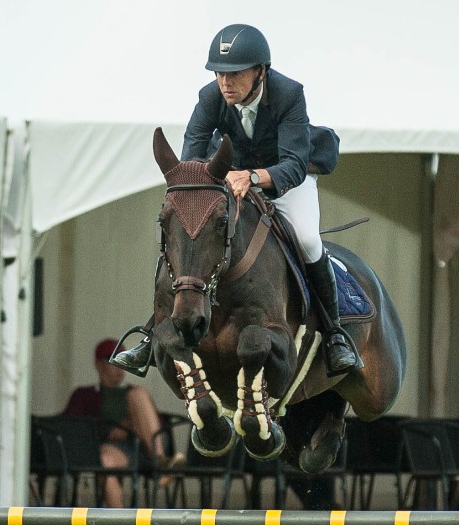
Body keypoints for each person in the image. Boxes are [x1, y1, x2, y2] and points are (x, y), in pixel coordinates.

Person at [112, 23, 358, 377]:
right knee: (189, 234)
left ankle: (334, 335)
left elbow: (291, 164)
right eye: (219, 74)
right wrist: (205, 181)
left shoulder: (288, 94)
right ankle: (152, 333)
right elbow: (192, 157)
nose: (225, 83)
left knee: (305, 237)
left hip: (287, 175)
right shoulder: (210, 97)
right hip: (230, 176)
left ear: (261, 72)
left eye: (235, 74)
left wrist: (254, 177)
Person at [64, 338, 180, 508]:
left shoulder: (134, 392)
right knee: (104, 461)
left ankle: (161, 461)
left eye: (123, 360)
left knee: (137, 394)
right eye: (114, 361)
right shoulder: (85, 395)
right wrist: (107, 431)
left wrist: (129, 426)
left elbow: (159, 423)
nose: (120, 367)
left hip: (145, 448)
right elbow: (72, 426)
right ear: (99, 364)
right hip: (114, 449)